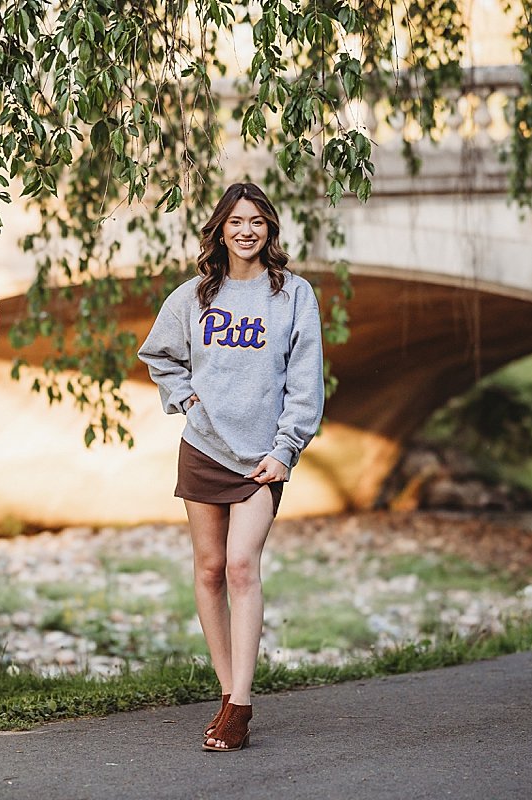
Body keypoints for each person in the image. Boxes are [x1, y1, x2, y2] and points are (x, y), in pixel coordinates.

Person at [137, 182, 325, 752]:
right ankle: (226, 693)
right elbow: (159, 355)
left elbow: (305, 379)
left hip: (263, 457)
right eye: (236, 221)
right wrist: (187, 400)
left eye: (258, 221)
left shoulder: (293, 295)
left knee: (243, 567)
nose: (247, 231)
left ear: (270, 229)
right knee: (209, 567)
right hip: (204, 450)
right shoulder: (194, 297)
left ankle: (241, 706)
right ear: (220, 229)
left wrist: (286, 448)